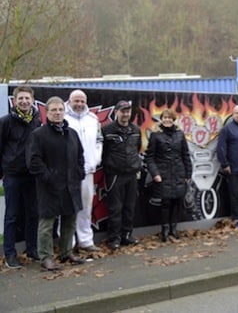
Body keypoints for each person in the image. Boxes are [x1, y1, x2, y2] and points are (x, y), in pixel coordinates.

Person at [26, 96, 85, 271]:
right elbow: (34, 162)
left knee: (70, 220)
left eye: (60, 110)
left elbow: (80, 156)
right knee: (46, 224)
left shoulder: (71, 133)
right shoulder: (38, 135)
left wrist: (79, 173)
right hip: (49, 187)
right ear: (47, 113)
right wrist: (49, 177)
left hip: (71, 185)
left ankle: (66, 252)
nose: (58, 113)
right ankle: (46, 257)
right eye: (54, 110)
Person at [0, 86, 41, 269]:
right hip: (13, 175)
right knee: (12, 215)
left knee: (33, 214)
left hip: (31, 175)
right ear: (14, 101)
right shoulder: (6, 122)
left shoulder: (37, 121)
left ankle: (32, 249)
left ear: (33, 100)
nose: (24, 101)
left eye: (27, 98)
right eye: (21, 98)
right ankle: (10, 253)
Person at [144, 109, 192, 242]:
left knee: (177, 202)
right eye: (164, 117)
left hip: (178, 173)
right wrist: (155, 174)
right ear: (161, 119)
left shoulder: (180, 134)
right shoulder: (155, 135)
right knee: (165, 203)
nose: (167, 120)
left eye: (169, 118)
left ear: (173, 119)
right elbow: (150, 157)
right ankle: (164, 229)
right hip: (163, 174)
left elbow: (185, 155)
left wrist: (188, 173)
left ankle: (173, 229)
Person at [65, 90, 103, 252]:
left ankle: (86, 240)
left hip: (87, 170)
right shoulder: (62, 117)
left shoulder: (93, 119)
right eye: (76, 101)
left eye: (82, 101)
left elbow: (99, 141)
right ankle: (68, 242)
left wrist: (95, 160)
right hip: (67, 172)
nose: (79, 104)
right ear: (70, 101)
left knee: (86, 207)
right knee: (67, 207)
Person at [102, 100, 142, 250]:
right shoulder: (107, 130)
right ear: (116, 112)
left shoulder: (136, 130)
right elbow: (103, 151)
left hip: (131, 174)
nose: (125, 114)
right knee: (115, 208)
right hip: (114, 175)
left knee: (130, 207)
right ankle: (114, 238)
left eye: (128, 111)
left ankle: (127, 235)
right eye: (123, 111)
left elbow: (137, 149)